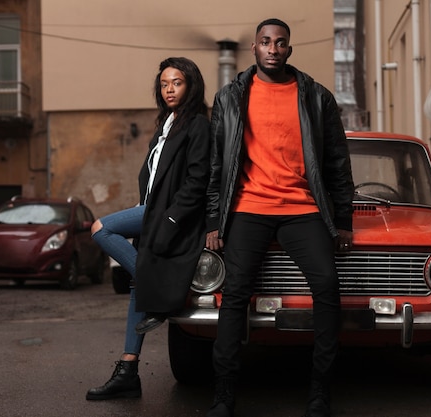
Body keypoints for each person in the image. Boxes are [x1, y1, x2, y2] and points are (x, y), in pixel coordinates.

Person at [204, 18, 354, 417]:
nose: (273, 48)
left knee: (326, 286)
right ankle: (223, 395)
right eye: (265, 42)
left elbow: (338, 164)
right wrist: (213, 220)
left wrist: (343, 222)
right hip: (249, 208)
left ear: (289, 49)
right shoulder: (230, 98)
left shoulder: (316, 97)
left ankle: (320, 393)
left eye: (280, 42)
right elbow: (217, 164)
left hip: (303, 209)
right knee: (234, 293)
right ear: (254, 48)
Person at [86, 57, 210, 400]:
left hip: (167, 215)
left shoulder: (198, 125)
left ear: (191, 85)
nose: (169, 89)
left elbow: (198, 180)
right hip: (151, 209)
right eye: (164, 84)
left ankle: (150, 277)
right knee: (139, 287)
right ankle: (128, 371)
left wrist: (170, 218)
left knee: (100, 228)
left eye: (177, 83)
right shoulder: (165, 125)